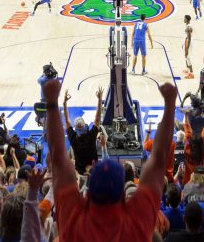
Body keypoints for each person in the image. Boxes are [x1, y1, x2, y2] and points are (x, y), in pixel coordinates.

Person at [42, 75, 176, 241]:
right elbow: (159, 159)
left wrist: (52, 104)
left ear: (90, 186)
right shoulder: (137, 223)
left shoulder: (73, 220)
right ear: (122, 189)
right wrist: (170, 106)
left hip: (81, 172)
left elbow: (58, 159)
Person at [183, 15, 195, 79]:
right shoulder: (187, 26)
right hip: (186, 41)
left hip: (188, 43)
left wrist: (187, 48)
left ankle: (191, 73)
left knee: (188, 57)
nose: (183, 19)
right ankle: (187, 70)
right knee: (186, 57)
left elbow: (189, 38)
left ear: (187, 20)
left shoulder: (188, 28)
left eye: (184, 18)